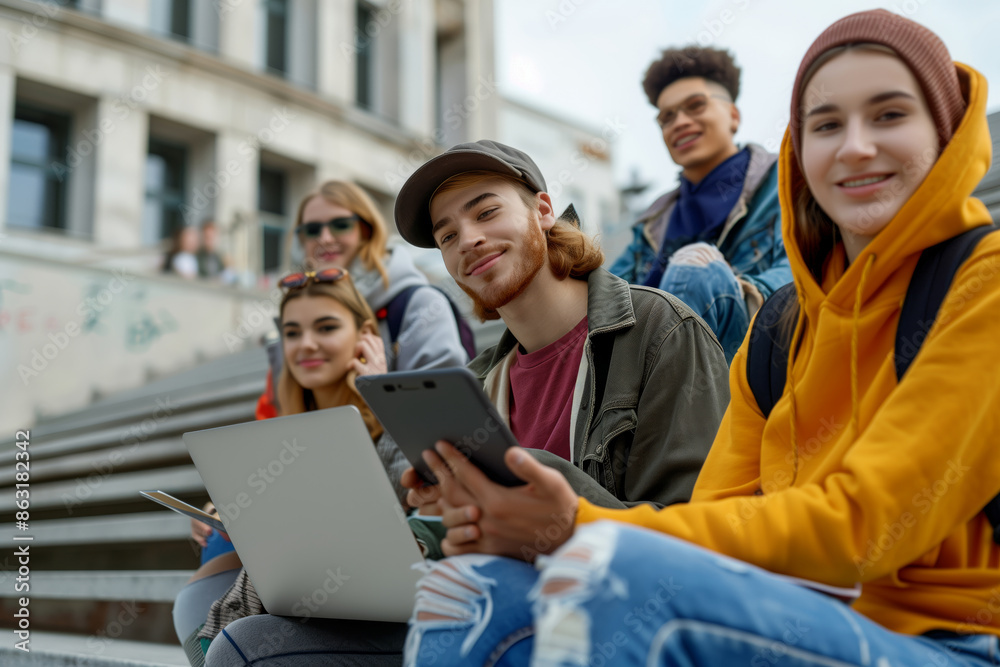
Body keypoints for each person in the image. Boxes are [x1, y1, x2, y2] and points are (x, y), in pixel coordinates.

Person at [403, 10, 1000, 666]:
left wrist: (577, 524)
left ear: (947, 130)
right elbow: (714, 516)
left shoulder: (984, 282)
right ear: (803, 145)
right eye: (828, 125)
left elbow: (861, 525)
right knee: (468, 589)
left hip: (950, 639)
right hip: (793, 613)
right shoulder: (780, 329)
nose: (856, 146)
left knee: (618, 578)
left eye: (890, 115)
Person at [204, 141, 731, 666]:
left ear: (543, 211)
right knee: (245, 645)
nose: (469, 241)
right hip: (476, 603)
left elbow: (697, 545)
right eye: (448, 235)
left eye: (487, 211)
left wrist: (526, 482)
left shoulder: (660, 331)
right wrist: (432, 528)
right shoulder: (475, 386)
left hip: (604, 623)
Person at [173, 268, 410, 666]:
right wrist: (225, 510)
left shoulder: (398, 410)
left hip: (384, 607)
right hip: (305, 593)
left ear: (365, 335)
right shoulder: (285, 427)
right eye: (293, 332)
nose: (307, 344)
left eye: (326, 327)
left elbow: (407, 508)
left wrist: (382, 397)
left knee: (233, 635)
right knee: (197, 592)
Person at [608, 46, 791, 362]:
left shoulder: (784, 180)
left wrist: (722, 292)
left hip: (756, 356)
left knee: (696, 266)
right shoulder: (653, 222)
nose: (679, 122)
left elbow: (800, 270)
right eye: (667, 118)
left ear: (733, 116)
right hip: (649, 366)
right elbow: (605, 297)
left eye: (695, 106)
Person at [253, 180, 468, 420]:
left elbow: (442, 417)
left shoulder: (419, 305)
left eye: (341, 225)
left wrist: (382, 395)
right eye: (312, 230)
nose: (324, 238)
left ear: (366, 230)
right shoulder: (300, 307)